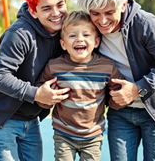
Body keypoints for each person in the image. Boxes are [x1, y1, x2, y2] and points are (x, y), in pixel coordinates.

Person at [76, 0, 155, 161]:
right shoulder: (88, 28)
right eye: (95, 13)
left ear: (124, 5)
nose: (102, 21)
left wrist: (137, 88)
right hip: (121, 112)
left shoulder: (145, 23)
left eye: (109, 12)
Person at [0, 0, 71, 161]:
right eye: (46, 8)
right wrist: (37, 94)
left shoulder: (63, 31)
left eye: (60, 5)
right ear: (33, 11)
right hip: (1, 115)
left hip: (29, 116)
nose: (56, 13)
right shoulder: (20, 34)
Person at [37, 10, 123, 161]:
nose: (79, 39)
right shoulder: (54, 66)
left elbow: (118, 92)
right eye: (72, 35)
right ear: (63, 44)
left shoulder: (107, 66)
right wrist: (44, 99)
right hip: (63, 133)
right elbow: (42, 93)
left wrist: (117, 101)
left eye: (86, 34)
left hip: (93, 136)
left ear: (96, 42)